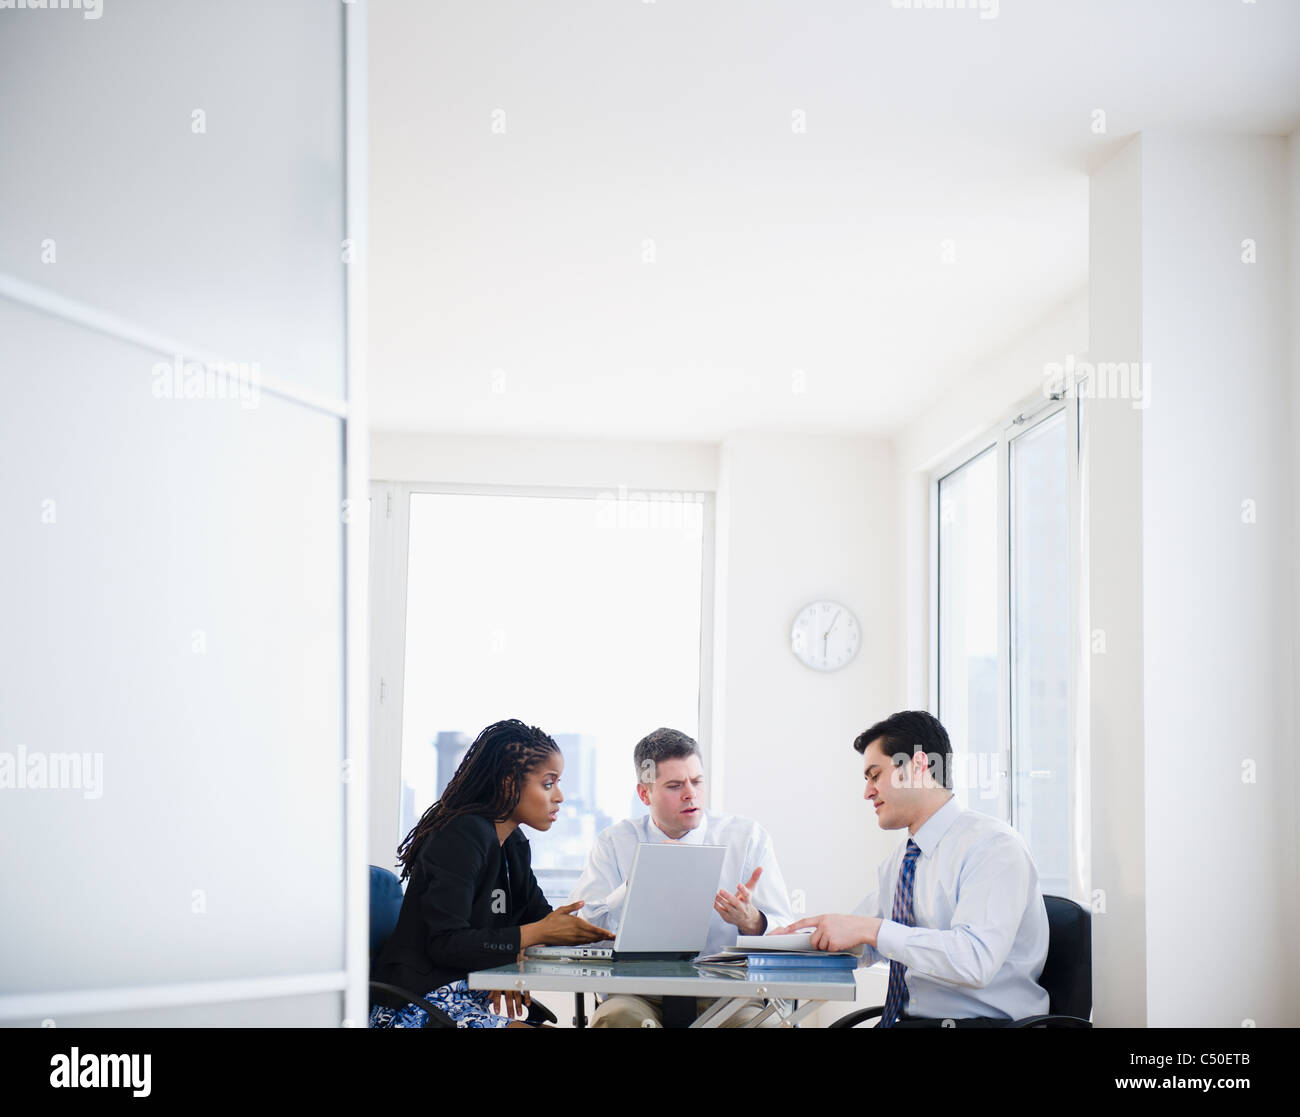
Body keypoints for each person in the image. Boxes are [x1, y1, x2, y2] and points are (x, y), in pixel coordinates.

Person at [774, 710, 1049, 1027]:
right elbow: (867, 941)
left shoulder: (993, 847)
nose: (867, 792)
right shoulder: (900, 862)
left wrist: (871, 931)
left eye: (875, 775)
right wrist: (790, 941)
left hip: (982, 1023)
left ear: (918, 766)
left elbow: (974, 960)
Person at [370, 719, 613, 1028]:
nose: (559, 796)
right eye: (548, 783)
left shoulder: (513, 844)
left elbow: (537, 917)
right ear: (508, 782)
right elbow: (446, 942)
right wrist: (534, 936)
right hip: (417, 1006)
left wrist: (568, 934)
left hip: (464, 1002)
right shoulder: (460, 834)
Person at [569, 727, 794, 1028]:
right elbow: (579, 929)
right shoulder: (614, 843)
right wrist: (629, 888)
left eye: (697, 782)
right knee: (616, 1021)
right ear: (644, 793)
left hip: (729, 994)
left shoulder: (747, 838)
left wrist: (752, 921)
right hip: (639, 993)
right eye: (675, 785)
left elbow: (788, 932)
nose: (691, 794)